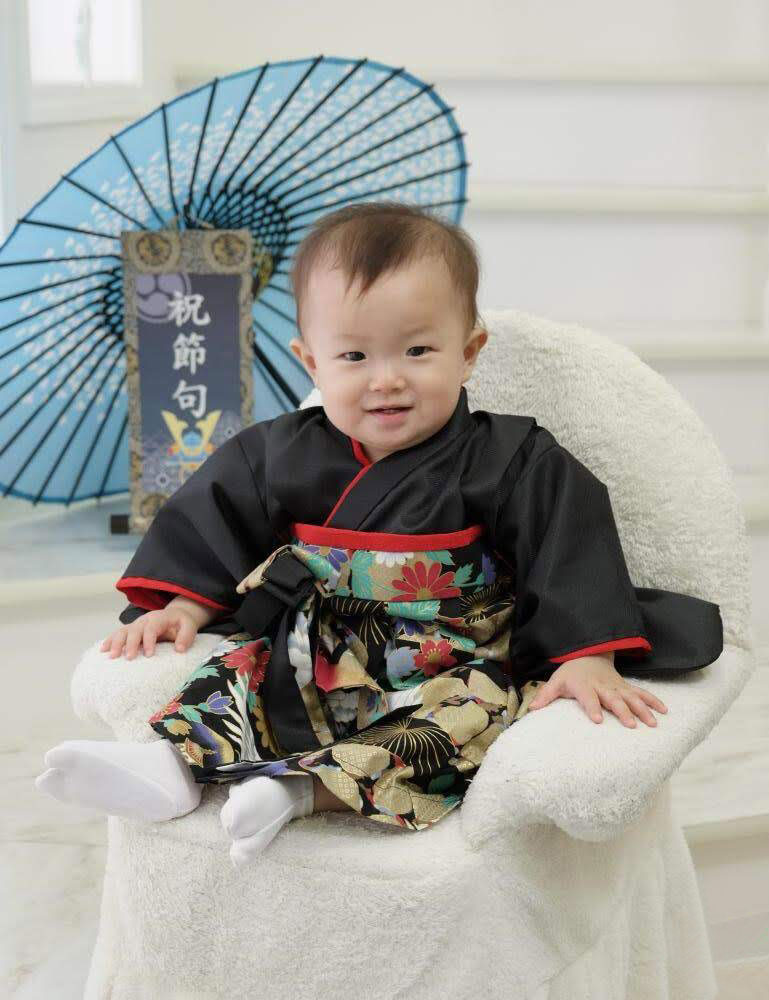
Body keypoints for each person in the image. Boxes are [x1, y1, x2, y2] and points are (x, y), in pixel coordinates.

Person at [35, 201, 723, 869]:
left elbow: (568, 545)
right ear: (312, 362)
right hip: (319, 643)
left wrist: (587, 655)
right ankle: (169, 767)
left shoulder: (514, 458)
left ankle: (299, 792)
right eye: (354, 355)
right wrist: (184, 606)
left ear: (468, 352)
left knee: (476, 716)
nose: (386, 379)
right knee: (240, 668)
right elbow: (216, 525)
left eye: (418, 350)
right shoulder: (275, 453)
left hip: (455, 658)